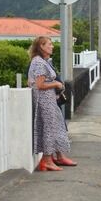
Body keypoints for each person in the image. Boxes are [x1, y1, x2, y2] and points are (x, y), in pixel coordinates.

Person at [27, 36, 76, 171]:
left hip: (49, 100)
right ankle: (47, 160)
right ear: (42, 46)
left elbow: (31, 82)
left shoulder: (42, 62)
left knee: (55, 127)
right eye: (49, 44)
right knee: (49, 129)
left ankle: (54, 157)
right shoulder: (39, 63)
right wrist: (56, 83)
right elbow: (40, 84)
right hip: (45, 101)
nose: (52, 46)